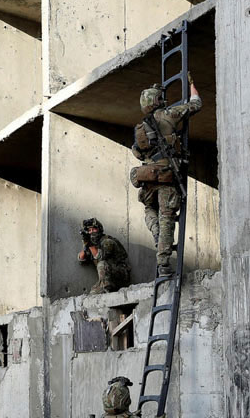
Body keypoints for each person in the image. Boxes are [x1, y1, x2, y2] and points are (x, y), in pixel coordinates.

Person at [130, 73, 202, 276]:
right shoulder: (169, 115)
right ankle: (163, 264)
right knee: (167, 217)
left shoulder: (140, 128)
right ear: (158, 100)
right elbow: (196, 104)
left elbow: (136, 152)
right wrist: (192, 84)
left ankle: (157, 235)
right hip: (166, 177)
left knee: (148, 211)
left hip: (148, 179)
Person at [77, 218, 130, 294]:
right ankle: (104, 285)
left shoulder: (107, 242)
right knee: (93, 292)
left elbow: (100, 258)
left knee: (102, 264)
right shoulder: (93, 245)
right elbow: (81, 259)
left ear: (99, 230)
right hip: (108, 276)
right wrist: (86, 244)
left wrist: (90, 245)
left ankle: (105, 287)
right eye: (89, 230)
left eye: (93, 229)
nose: (91, 232)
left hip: (121, 275)